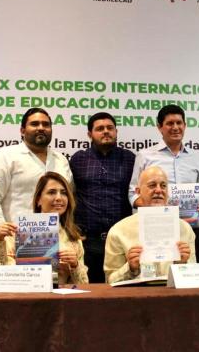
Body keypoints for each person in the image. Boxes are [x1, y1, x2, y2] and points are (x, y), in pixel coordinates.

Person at [128, 105, 199, 262]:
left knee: (191, 272)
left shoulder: (194, 157)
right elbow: (133, 194)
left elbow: (198, 193)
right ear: (159, 127)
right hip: (157, 228)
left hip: (190, 228)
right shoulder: (145, 156)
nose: (175, 127)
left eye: (179, 123)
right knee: (160, 273)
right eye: (170, 123)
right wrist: (157, 208)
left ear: (185, 125)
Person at [0, 108, 72, 231]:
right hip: (13, 236)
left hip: (54, 237)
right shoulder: (6, 156)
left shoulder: (61, 160)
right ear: (22, 131)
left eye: (46, 124)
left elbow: (69, 200)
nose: (41, 128)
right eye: (34, 124)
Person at [69, 112, 135, 283]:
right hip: (88, 240)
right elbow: (70, 195)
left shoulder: (130, 159)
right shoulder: (78, 159)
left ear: (116, 132)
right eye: (100, 128)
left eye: (110, 128)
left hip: (122, 239)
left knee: (121, 288)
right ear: (90, 134)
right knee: (91, 290)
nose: (106, 131)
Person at [0, 172, 88, 285]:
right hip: (22, 293)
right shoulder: (16, 233)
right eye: (51, 192)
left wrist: (75, 265)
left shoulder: (73, 239)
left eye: (64, 193)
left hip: (59, 295)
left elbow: (83, 286)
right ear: (38, 200)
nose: (59, 198)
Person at [104, 166, 195, 283]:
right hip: (137, 293)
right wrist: (130, 268)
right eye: (152, 185)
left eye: (163, 186)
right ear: (138, 192)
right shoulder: (118, 231)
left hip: (172, 292)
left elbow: (193, 277)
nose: (159, 190)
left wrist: (182, 264)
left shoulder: (185, 229)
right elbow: (109, 281)